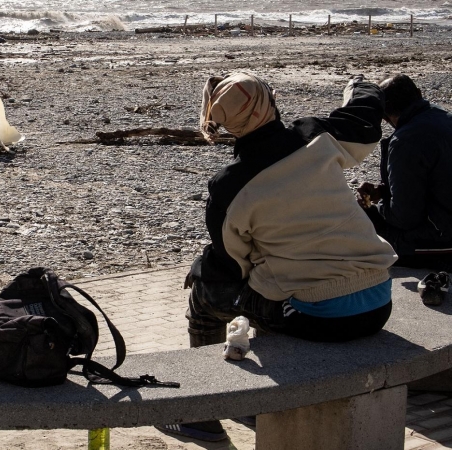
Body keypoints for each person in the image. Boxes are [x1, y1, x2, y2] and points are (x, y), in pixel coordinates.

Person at [156, 73, 397, 442]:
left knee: (206, 292)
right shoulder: (316, 135)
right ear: (269, 102)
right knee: (263, 281)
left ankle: (201, 413)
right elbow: (365, 117)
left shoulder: (230, 184)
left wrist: (201, 266)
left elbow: (232, 266)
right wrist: (360, 83)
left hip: (318, 318)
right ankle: (264, 401)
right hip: (379, 300)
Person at [357, 74, 452, 270]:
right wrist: (384, 191)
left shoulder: (405, 141)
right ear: (418, 93)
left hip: (442, 239)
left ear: (383, 115)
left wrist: (375, 211)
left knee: (362, 224)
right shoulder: (443, 117)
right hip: (443, 219)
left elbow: (405, 218)